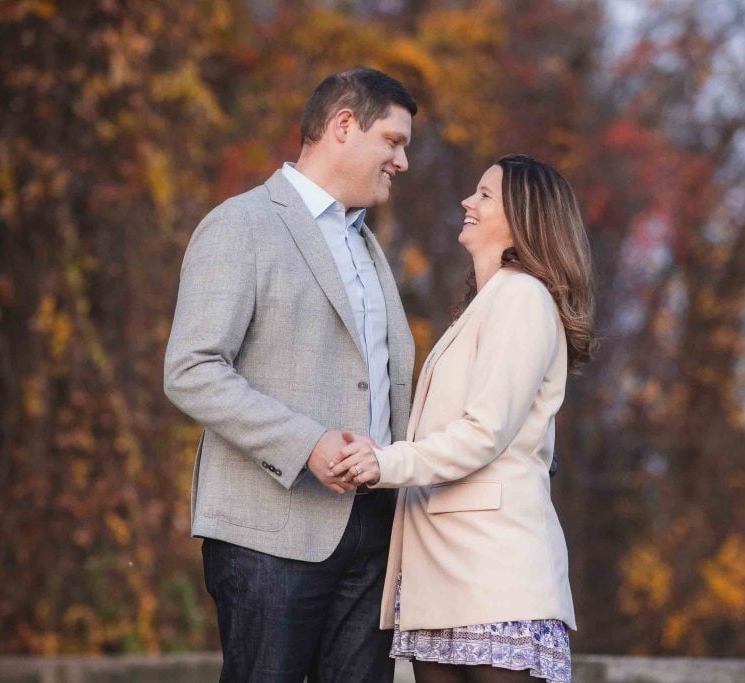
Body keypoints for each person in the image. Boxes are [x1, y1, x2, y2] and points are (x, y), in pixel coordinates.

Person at [163, 67, 417, 681]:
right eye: (394, 141)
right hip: (267, 535)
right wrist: (307, 445)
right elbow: (191, 369)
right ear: (344, 126)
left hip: (373, 531)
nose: (402, 161)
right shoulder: (240, 225)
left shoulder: (366, 246)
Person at [332, 154, 595, 682]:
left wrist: (382, 463)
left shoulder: (522, 298)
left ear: (523, 218)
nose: (467, 203)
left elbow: (483, 434)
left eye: (484, 195)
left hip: (493, 578)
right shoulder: (487, 303)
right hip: (441, 580)